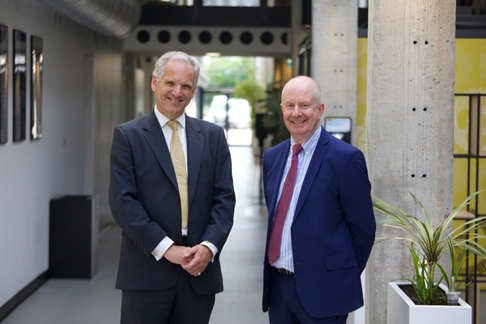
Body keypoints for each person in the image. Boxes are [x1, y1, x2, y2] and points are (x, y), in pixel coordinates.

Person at [109, 51, 235, 324]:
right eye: (170, 83)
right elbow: (123, 202)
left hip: (198, 273)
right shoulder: (127, 136)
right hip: (146, 273)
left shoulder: (213, 137)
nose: (177, 92)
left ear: (193, 91)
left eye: (186, 86)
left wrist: (208, 248)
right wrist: (166, 248)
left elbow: (224, 199)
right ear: (155, 83)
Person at [261, 76, 376, 324]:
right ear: (282, 109)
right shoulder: (272, 158)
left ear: (320, 109)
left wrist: (339, 277)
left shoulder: (346, 159)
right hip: (279, 289)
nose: (296, 113)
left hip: (326, 291)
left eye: (304, 105)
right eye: (290, 105)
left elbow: (364, 231)